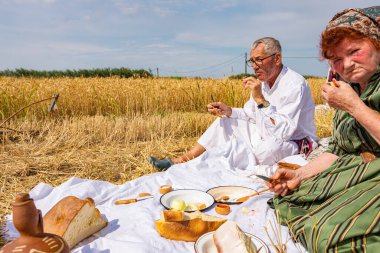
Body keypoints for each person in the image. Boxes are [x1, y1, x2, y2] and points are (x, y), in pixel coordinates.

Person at [267, 6, 380, 252]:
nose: (347, 64)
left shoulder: (350, 97)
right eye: (337, 59)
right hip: (354, 170)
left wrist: (354, 107)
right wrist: (300, 174)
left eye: (355, 51)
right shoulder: (348, 88)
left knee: (327, 234)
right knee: (291, 199)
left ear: (376, 44)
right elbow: (338, 149)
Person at [149, 37, 317, 171]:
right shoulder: (263, 83)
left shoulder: (294, 84)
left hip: (295, 141)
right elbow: (249, 114)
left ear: (277, 58)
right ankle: (181, 160)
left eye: (259, 60)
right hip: (265, 134)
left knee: (267, 149)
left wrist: (260, 100)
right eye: (251, 61)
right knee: (224, 122)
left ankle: (236, 165)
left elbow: (284, 131)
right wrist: (229, 111)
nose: (254, 66)